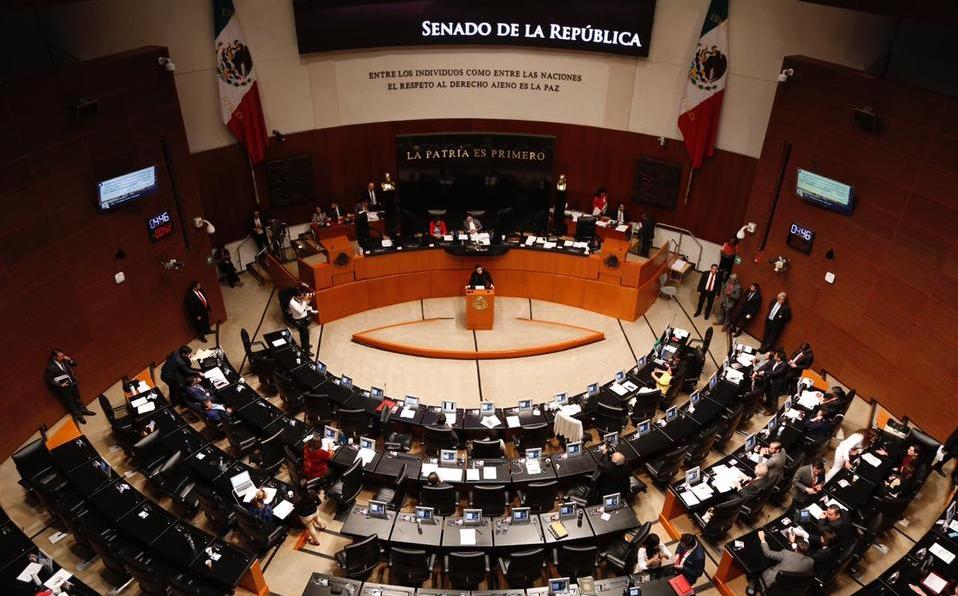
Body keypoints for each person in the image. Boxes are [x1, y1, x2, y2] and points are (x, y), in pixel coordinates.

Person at [749, 530, 812, 595]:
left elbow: (768, 553)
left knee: (761, 566)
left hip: (770, 584)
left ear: (796, 548)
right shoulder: (811, 561)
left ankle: (753, 580)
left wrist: (762, 539)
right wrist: (792, 543)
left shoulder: (786, 554)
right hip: (791, 588)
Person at [45, 349, 95, 424]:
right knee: (70, 402)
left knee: (78, 398)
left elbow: (75, 365)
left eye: (62, 355)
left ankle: (84, 410)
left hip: (73, 382)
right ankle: (79, 416)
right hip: (65, 387)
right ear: (54, 357)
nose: (62, 357)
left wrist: (70, 360)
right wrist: (60, 385)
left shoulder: (65, 361)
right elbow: (49, 380)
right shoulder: (51, 367)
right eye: (60, 357)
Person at [294, 479, 326, 546]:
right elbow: (319, 502)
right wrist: (313, 506)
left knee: (310, 527)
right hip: (315, 511)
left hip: (306, 516)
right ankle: (322, 527)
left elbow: (296, 509)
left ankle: (315, 541)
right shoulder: (312, 492)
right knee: (317, 518)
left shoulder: (298, 498)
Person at [288, 287, 317, 356]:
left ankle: (304, 346)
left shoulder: (300, 298)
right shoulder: (292, 303)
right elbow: (301, 311)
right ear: (297, 296)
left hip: (304, 319)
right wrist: (304, 301)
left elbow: (305, 305)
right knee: (305, 335)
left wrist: (308, 301)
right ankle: (307, 351)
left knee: (304, 334)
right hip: (299, 321)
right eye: (302, 296)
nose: (304, 296)